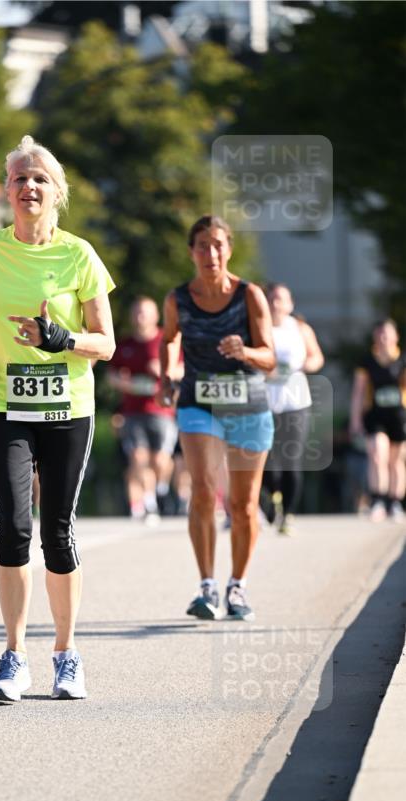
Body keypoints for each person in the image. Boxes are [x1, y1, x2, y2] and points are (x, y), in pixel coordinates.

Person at [0, 135, 115, 701]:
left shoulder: (79, 255)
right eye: (20, 178)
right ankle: (13, 655)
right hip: (4, 406)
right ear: (7, 190)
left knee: (58, 531)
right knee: (13, 527)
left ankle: (67, 655)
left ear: (56, 193)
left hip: (69, 408)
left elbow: (108, 343)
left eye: (39, 179)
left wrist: (62, 338)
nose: (29, 187)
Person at [159, 215, 275, 622]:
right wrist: (167, 377)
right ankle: (207, 586)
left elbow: (271, 359)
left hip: (248, 406)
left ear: (229, 249)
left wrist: (244, 351)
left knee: (243, 506)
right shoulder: (178, 299)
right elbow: (170, 339)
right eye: (203, 245)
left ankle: (237, 586)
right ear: (192, 252)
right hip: (198, 403)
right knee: (205, 491)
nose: (211, 253)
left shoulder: (250, 296)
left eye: (218, 245)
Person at [107, 296, 178, 521]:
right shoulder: (125, 344)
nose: (141, 317)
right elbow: (111, 375)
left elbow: (182, 370)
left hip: (162, 411)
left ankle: (162, 488)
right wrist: (122, 383)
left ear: (156, 316)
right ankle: (149, 501)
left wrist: (163, 371)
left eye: (145, 312)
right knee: (138, 458)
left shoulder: (166, 340)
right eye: (137, 312)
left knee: (160, 461)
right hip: (132, 412)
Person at [262, 282, 325, 534]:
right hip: (265, 402)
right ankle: (271, 502)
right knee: (267, 463)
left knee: (291, 461)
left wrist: (301, 366)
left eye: (281, 299)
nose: (277, 304)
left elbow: (317, 358)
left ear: (290, 304)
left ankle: (287, 514)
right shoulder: (258, 328)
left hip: (296, 401)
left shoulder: (300, 329)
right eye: (272, 298)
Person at [350, 319, 406, 522]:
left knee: (396, 461)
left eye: (387, 334)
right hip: (375, 415)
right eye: (380, 334)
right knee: (376, 455)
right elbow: (358, 392)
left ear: (395, 337)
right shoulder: (367, 362)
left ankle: (395, 502)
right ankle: (377, 500)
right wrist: (355, 420)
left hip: (399, 416)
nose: (383, 338)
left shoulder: (402, 360)